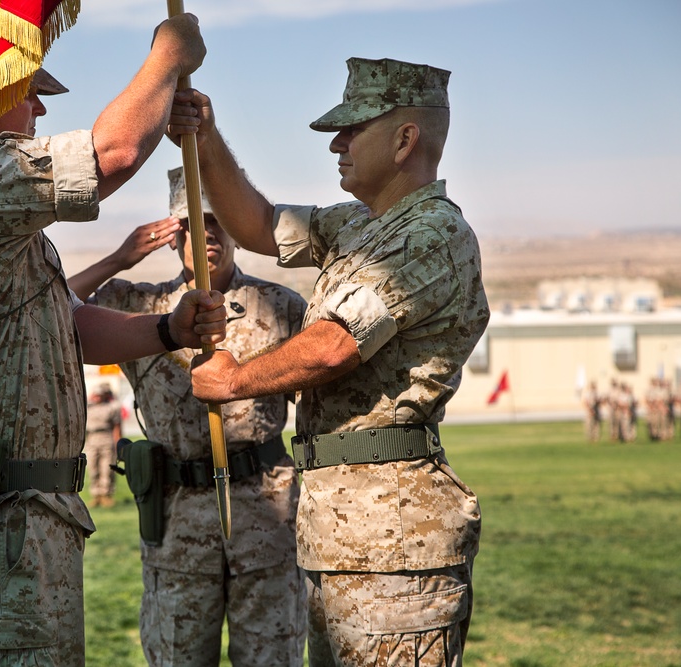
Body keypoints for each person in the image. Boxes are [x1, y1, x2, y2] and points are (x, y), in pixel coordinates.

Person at [0, 8, 223, 667]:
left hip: (25, 519)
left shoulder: (2, 223)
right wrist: (166, 58)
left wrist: (164, 328)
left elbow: (68, 322)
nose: (39, 110)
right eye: (27, 91)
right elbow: (111, 154)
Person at [172, 57, 490, 665]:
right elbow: (260, 224)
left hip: (396, 545)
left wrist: (236, 379)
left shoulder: (430, 235)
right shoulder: (357, 225)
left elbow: (334, 344)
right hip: (342, 533)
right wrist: (205, 140)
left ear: (405, 139)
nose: (337, 145)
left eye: (352, 130)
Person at [68, 167, 309, 667]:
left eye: (220, 220)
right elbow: (50, 314)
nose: (208, 234)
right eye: (194, 221)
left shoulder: (280, 307)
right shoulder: (139, 306)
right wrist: (119, 257)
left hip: (268, 516)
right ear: (174, 231)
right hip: (178, 524)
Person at [83, 383, 122, 508]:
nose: (97, 397)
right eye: (96, 394)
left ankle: (106, 495)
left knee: (107, 468)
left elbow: (117, 427)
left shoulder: (112, 408)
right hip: (92, 439)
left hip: (106, 438)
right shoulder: (88, 407)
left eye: (100, 394)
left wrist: (118, 443)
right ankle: (96, 495)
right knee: (93, 467)